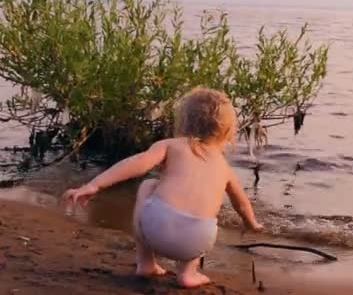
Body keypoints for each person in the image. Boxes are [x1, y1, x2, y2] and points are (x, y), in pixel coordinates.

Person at [62, 87, 263, 288]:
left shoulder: (172, 145)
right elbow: (241, 204)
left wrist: (94, 185)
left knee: (148, 185)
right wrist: (252, 224)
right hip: (198, 241)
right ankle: (188, 272)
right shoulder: (224, 166)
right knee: (208, 213)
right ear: (227, 131)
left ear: (183, 121)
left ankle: (146, 262)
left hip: (155, 228)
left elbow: (136, 164)